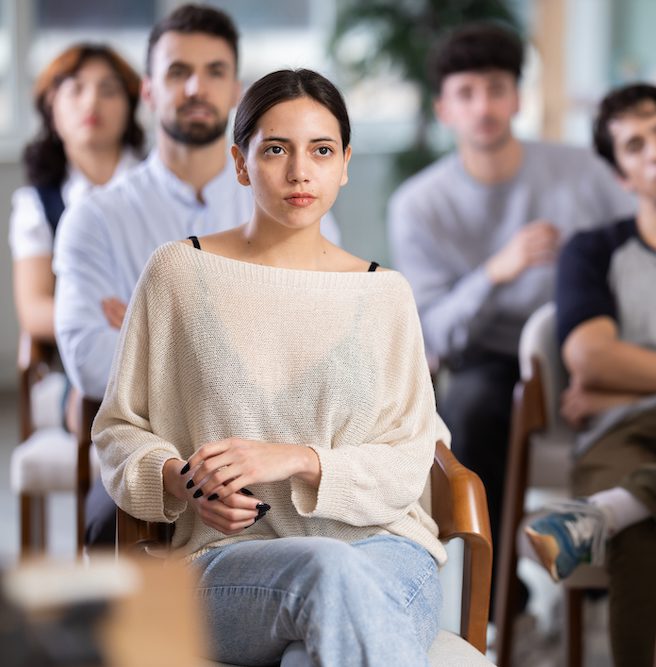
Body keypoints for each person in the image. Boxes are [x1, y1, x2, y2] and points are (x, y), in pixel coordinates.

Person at [94, 68, 446, 666]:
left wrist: (299, 460)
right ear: (240, 162)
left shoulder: (386, 294)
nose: (300, 171)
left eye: (322, 150)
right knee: (325, 571)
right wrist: (184, 481)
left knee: (311, 652)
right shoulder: (178, 273)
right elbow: (118, 431)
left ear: (345, 163)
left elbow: (410, 459)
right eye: (276, 150)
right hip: (228, 562)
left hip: (386, 553)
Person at [53, 4, 338, 547]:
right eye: (178, 72)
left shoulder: (294, 194)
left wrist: (149, 333)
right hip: (151, 449)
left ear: (235, 90)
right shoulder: (94, 218)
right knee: (105, 527)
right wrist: (252, 332)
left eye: (214, 72)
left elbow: (318, 342)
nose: (195, 88)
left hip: (278, 444)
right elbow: (90, 365)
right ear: (148, 90)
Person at [388, 23, 633, 608]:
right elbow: (433, 331)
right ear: (444, 108)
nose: (484, 107)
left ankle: (604, 580)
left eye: (497, 89)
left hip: (586, 342)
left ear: (518, 98)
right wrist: (496, 272)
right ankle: (498, 599)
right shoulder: (419, 204)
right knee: (472, 407)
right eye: (466, 93)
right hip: (490, 355)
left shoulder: (581, 171)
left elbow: (636, 253)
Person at [520, 83, 656, 666]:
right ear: (620, 175)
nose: (655, 152)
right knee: (642, 528)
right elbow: (589, 358)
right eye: (634, 145)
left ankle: (604, 511)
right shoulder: (591, 251)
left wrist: (616, 388)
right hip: (623, 431)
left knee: (654, 497)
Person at [10, 43, 143, 345]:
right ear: (50, 105)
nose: (92, 101)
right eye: (75, 90)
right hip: (83, 352)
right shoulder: (36, 204)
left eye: (108, 90)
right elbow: (33, 309)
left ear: (131, 105)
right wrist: (107, 320)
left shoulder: (161, 181)